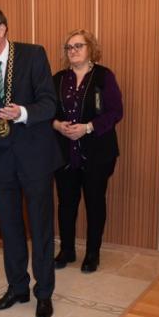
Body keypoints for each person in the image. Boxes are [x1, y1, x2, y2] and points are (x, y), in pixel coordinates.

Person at [0, 6, 62, 317]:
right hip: (0, 159)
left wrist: (21, 113)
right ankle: (17, 287)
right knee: (8, 226)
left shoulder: (33, 55)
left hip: (36, 156)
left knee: (41, 226)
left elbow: (49, 103)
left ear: (1, 30)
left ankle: (44, 293)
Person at [52, 29, 123, 273]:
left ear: (90, 48)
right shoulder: (58, 79)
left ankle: (93, 253)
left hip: (98, 152)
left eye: (78, 46)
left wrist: (88, 127)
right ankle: (67, 250)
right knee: (66, 203)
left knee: (94, 202)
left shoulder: (104, 76)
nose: (73, 51)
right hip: (64, 152)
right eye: (69, 47)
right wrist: (57, 125)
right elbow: (46, 110)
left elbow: (115, 112)